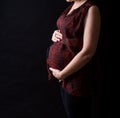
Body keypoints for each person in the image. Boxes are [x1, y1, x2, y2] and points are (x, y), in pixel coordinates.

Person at [46, 0, 103, 118]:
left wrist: (62, 74)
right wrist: (56, 34)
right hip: (65, 77)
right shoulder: (73, 6)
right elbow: (69, 33)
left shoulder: (91, 9)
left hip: (77, 78)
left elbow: (88, 51)